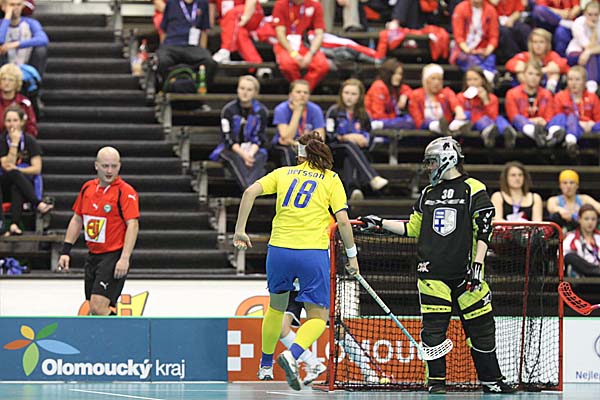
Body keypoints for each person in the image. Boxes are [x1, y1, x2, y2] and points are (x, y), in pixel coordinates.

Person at [359, 137, 516, 394]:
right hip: (432, 274)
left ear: (448, 159)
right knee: (433, 333)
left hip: (468, 276)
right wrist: (381, 223)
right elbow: (412, 228)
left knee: (482, 331)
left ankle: (492, 380)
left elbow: (484, 229)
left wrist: (477, 265)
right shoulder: (428, 193)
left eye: (432, 162)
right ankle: (436, 383)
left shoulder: (473, 188)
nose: (429, 167)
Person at [233, 131, 359, 391]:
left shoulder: (283, 173)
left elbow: (249, 192)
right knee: (318, 317)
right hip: (311, 253)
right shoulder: (331, 179)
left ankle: (265, 365)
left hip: (279, 250)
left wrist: (240, 230)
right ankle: (293, 355)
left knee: (275, 309)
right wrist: (352, 255)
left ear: (300, 155)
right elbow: (344, 221)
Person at [57, 147, 140, 316]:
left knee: (97, 306)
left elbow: (133, 225)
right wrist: (65, 251)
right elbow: (77, 219)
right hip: (93, 254)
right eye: (105, 166)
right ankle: (115, 329)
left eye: (114, 166)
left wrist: (124, 258)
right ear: (96, 165)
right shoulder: (87, 188)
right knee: (93, 307)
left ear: (119, 166)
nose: (109, 171)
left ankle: (125, 330)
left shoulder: (125, 192)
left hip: (113, 254)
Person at [327, 78, 388, 200]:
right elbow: (329, 135)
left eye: (353, 94)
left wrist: (364, 140)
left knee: (350, 155)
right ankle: (372, 178)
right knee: (348, 145)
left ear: (359, 96)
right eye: (346, 93)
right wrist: (346, 137)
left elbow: (370, 137)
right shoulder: (334, 111)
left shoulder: (364, 115)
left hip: (356, 152)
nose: (349, 97)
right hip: (336, 150)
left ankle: (353, 190)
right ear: (341, 94)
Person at [209, 75, 269, 190]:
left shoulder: (261, 111)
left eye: (249, 90)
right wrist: (244, 155)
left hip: (252, 148)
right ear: (237, 89)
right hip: (232, 149)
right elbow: (228, 137)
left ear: (255, 93)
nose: (245, 92)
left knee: (262, 155)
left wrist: (250, 154)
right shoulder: (228, 110)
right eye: (242, 88)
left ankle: (249, 190)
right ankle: (249, 189)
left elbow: (259, 136)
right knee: (235, 158)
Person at [0, 105, 51, 235]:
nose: (11, 124)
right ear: (4, 122)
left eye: (15, 120)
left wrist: (18, 169)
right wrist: (14, 144)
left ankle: (14, 224)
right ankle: (37, 203)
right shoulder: (2, 139)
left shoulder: (29, 140)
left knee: (17, 186)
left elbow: (37, 168)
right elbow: (7, 166)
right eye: (8, 121)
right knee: (13, 173)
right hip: (3, 183)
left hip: (23, 184)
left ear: (22, 122)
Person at [156, 0, 216, 89]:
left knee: (209, 62)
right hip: (171, 45)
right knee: (161, 60)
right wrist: (162, 48)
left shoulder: (203, 3)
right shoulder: (171, 2)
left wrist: (202, 50)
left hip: (192, 47)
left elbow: (204, 31)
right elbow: (164, 30)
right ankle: (165, 87)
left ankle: (198, 89)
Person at [271, 0, 329, 91]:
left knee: (322, 65)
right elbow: (280, 33)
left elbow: (319, 34)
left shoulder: (315, 5)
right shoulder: (280, 4)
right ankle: (298, 91)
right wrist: (294, 54)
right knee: (287, 65)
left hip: (305, 44)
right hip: (287, 45)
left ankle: (304, 91)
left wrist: (310, 54)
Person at [504, 62, 565, 148]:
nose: (533, 77)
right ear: (524, 74)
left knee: (561, 117)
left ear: (541, 78)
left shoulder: (547, 94)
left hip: (544, 126)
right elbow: (513, 116)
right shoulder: (512, 93)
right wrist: (532, 121)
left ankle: (550, 137)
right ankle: (537, 134)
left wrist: (543, 121)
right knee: (517, 119)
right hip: (522, 126)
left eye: (537, 75)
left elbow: (549, 115)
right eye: (530, 73)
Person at [456, 66, 517, 148]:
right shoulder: (461, 97)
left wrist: (485, 100)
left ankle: (509, 132)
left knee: (499, 119)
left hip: (490, 121)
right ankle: (488, 131)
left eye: (475, 79)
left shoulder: (492, 97)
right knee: (477, 117)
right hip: (472, 123)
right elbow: (462, 116)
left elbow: (493, 116)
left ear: (482, 80)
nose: (472, 82)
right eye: (469, 80)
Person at [271, 79, 325, 166]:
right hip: (284, 147)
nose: (302, 95)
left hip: (307, 145)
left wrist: (301, 145)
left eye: (305, 92)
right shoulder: (281, 109)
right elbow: (286, 136)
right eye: (298, 92)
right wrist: (297, 112)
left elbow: (320, 138)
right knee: (289, 152)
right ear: (290, 95)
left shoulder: (315, 109)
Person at [210, 0, 270, 78]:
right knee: (240, 33)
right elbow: (211, 8)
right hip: (231, 23)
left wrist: (243, 20)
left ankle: (225, 49)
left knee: (232, 14)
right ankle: (258, 65)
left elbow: (252, 2)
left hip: (250, 14)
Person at [408, 63, 470, 136]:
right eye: (433, 78)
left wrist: (459, 112)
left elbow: (455, 103)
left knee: (466, 115)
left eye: (439, 79)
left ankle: (455, 127)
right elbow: (418, 120)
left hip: (447, 124)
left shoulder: (446, 92)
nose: (437, 82)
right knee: (428, 122)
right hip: (425, 125)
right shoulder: (416, 95)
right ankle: (443, 128)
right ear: (426, 80)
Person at [551, 65, 600, 156]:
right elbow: (559, 118)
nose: (573, 83)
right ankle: (571, 144)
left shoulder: (592, 97)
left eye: (577, 80)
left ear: (584, 81)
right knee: (569, 118)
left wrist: (590, 123)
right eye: (570, 79)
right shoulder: (560, 96)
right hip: (568, 128)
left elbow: (598, 118)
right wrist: (579, 123)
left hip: (590, 128)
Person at [505, 28, 569, 93]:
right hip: (525, 88)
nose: (538, 45)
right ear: (531, 44)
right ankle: (529, 92)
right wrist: (526, 68)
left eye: (541, 42)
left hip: (546, 87)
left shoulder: (552, 55)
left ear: (547, 44)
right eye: (535, 42)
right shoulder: (525, 55)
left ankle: (549, 92)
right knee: (520, 70)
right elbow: (509, 64)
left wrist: (543, 70)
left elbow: (565, 66)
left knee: (554, 70)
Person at [450, 0, 499, 83]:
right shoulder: (460, 8)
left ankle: (486, 76)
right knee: (473, 62)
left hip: (483, 50)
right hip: (463, 50)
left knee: (491, 59)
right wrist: (468, 51)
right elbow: (458, 37)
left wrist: (487, 51)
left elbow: (493, 37)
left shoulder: (491, 10)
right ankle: (487, 76)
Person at [0, 0, 48, 76]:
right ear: (3, 7)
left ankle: (35, 80)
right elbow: (0, 40)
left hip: (26, 64)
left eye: (18, 5)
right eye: (12, 5)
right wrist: (7, 18)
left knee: (41, 50)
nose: (16, 8)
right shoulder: (1, 23)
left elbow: (43, 39)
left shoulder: (30, 23)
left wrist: (16, 44)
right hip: (4, 66)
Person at [365, 58, 415, 130]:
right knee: (408, 122)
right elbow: (378, 115)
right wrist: (394, 117)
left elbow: (410, 91)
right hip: (376, 121)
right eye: (395, 74)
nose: (398, 77)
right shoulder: (379, 86)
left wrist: (404, 95)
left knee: (411, 120)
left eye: (400, 74)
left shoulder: (394, 86)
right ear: (387, 74)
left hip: (390, 120)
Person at [565, 1, 600, 92]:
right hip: (575, 53)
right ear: (584, 13)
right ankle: (591, 88)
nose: (593, 18)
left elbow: (589, 50)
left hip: (592, 54)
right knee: (592, 57)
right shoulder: (578, 23)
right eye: (590, 14)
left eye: (596, 15)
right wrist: (594, 30)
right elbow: (588, 46)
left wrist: (588, 52)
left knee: (593, 57)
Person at [563, 204, 600, 277]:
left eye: (593, 219)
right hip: (580, 275)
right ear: (579, 219)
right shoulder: (571, 237)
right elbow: (563, 257)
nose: (590, 222)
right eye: (586, 219)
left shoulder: (598, 237)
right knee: (569, 256)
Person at [0, 63, 36, 136]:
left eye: (11, 80)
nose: (7, 83)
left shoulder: (25, 102)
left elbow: (31, 128)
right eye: (4, 79)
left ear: (17, 83)